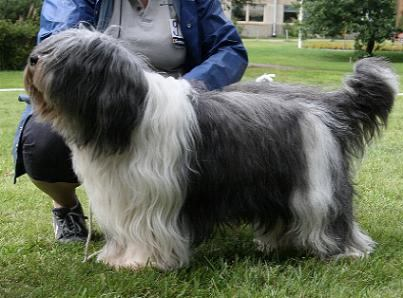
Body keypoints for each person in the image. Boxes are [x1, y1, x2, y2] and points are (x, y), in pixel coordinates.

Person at [12, 0, 248, 243]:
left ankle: (189, 209)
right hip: (99, 102)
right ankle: (66, 207)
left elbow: (230, 49)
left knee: (211, 133)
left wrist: (189, 87)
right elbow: (60, 42)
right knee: (43, 142)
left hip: (176, 101)